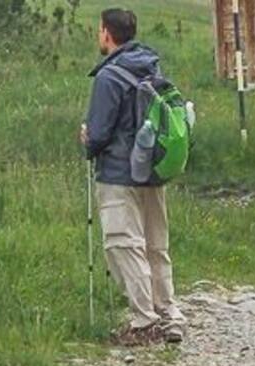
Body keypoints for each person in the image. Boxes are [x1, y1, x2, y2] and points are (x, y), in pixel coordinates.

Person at [82, 8, 183, 346]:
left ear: (106, 33)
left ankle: (144, 321)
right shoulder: (151, 67)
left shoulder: (108, 77)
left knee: (124, 244)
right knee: (156, 245)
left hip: (118, 173)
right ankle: (169, 313)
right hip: (152, 170)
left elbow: (99, 134)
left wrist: (87, 140)